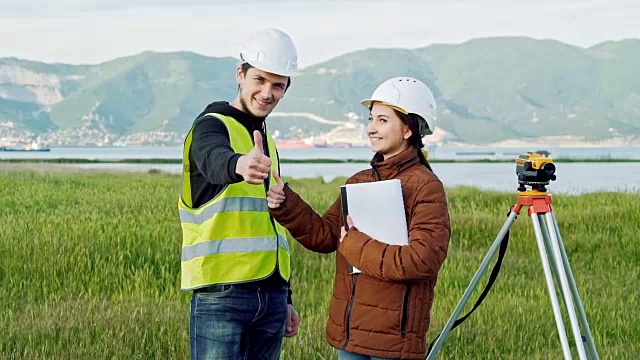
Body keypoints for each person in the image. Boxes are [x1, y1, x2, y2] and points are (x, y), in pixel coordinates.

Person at [267, 77, 451, 359]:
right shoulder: (358, 181)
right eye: (371, 119)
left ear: (407, 129)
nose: (371, 129)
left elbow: (422, 260)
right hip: (350, 339)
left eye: (382, 120)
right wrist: (286, 203)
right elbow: (325, 236)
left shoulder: (425, 186)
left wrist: (354, 246)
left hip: (393, 344)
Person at [177, 28, 301, 360]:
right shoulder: (210, 125)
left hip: (271, 294)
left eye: (278, 85)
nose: (267, 92)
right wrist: (239, 165)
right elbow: (212, 158)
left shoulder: (268, 142)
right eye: (259, 80)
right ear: (240, 74)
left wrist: (285, 297)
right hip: (222, 294)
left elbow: (269, 226)